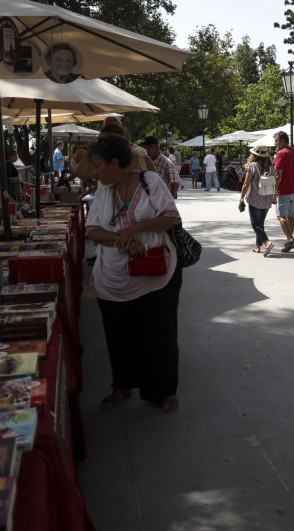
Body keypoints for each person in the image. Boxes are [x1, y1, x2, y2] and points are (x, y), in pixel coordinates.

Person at [85, 133, 183, 412]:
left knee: (159, 334)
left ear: (116, 163)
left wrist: (137, 227)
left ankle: (163, 391)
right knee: (119, 336)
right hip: (113, 278)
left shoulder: (149, 181)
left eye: (98, 166)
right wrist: (125, 240)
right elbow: (93, 230)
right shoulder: (103, 190)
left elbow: (172, 217)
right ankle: (121, 386)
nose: (94, 173)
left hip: (156, 273)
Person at [238, 144, 276, 256]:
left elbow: (246, 183)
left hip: (255, 198)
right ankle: (257, 246)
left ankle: (267, 242)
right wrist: (274, 197)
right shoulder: (271, 167)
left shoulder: (252, 166)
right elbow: (274, 183)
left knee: (255, 224)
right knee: (260, 223)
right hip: (267, 198)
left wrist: (241, 199)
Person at [273, 130, 294, 252]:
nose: (275, 143)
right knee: (291, 216)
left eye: (276, 141)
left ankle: (290, 239)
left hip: (284, 189)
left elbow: (278, 175)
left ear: (282, 141)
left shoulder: (281, 154)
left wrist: (274, 190)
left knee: (281, 216)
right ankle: (288, 241)